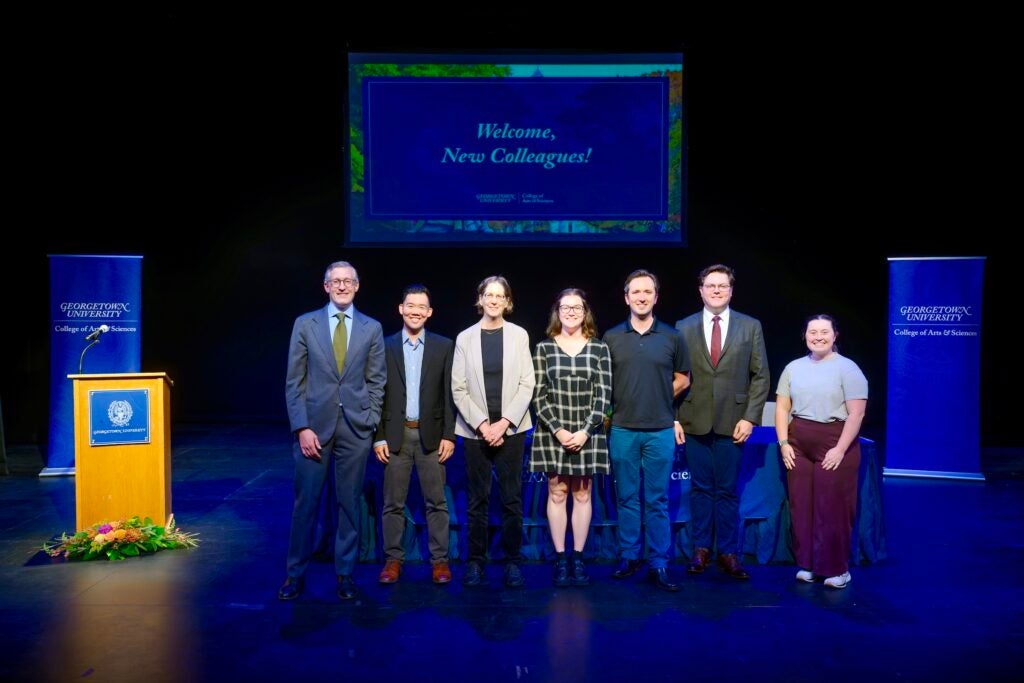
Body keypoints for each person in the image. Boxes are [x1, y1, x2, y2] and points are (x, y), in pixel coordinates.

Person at [278, 261, 385, 601]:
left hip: (355, 430)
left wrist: (369, 420)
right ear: (326, 286)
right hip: (313, 431)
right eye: (335, 281)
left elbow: (377, 380)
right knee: (305, 505)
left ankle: (345, 575)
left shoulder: (372, 328)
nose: (341, 286)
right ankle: (295, 575)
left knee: (349, 505)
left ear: (357, 285)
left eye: (347, 281)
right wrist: (302, 427)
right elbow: (294, 382)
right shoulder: (305, 324)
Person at [676, 264, 769, 580]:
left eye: (722, 285)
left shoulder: (750, 326)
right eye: (710, 285)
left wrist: (750, 417)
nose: (716, 290)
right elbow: (674, 377)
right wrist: (674, 418)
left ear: (731, 290)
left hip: (734, 422)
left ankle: (728, 552)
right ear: (700, 290)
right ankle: (701, 549)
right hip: (693, 421)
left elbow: (761, 376)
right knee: (700, 489)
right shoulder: (683, 327)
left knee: (727, 490)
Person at [603, 269, 689, 592]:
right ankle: (628, 557)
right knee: (626, 497)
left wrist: (660, 397)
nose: (641, 297)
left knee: (657, 499)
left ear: (656, 297)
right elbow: (604, 383)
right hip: (623, 429)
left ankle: (659, 563)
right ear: (626, 298)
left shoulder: (672, 336)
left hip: (660, 430)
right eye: (635, 292)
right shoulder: (612, 337)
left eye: (647, 292)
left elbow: (684, 377)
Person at [452, 276, 535, 588]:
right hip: (476, 432)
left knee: (512, 499)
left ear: (507, 301)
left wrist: (504, 423)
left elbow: (528, 382)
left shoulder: (519, 335)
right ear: (481, 298)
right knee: (477, 500)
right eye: (489, 294)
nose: (494, 300)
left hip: (511, 431)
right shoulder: (465, 338)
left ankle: (513, 561)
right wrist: (483, 425)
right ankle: (476, 561)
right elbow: (458, 388)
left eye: (500, 296)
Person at [775, 314, 867, 589]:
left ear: (835, 335)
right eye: (812, 331)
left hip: (834, 440)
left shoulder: (848, 369)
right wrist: (784, 443)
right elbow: (781, 408)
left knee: (832, 508)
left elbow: (856, 414)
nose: (818, 336)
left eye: (824, 331)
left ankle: (837, 569)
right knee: (801, 505)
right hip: (799, 442)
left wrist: (840, 449)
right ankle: (809, 564)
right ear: (804, 335)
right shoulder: (793, 367)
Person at [373, 284, 456, 585]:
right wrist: (378, 436)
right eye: (410, 305)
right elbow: (375, 395)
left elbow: (449, 394)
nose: (415, 311)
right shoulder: (384, 345)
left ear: (429, 312)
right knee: (393, 503)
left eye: (421, 306)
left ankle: (440, 562)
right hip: (395, 436)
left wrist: (449, 435)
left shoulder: (444, 346)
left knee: (437, 502)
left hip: (431, 438)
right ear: (401, 308)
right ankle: (393, 560)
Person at [530, 288, 612, 587]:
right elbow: (538, 395)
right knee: (557, 491)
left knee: (582, 493)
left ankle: (578, 558)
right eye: (565, 307)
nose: (571, 312)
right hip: (554, 431)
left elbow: (603, 396)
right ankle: (561, 558)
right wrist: (559, 430)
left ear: (585, 311)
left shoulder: (599, 349)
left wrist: (585, 431)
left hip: (587, 433)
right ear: (557, 311)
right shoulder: (544, 348)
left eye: (577, 307)